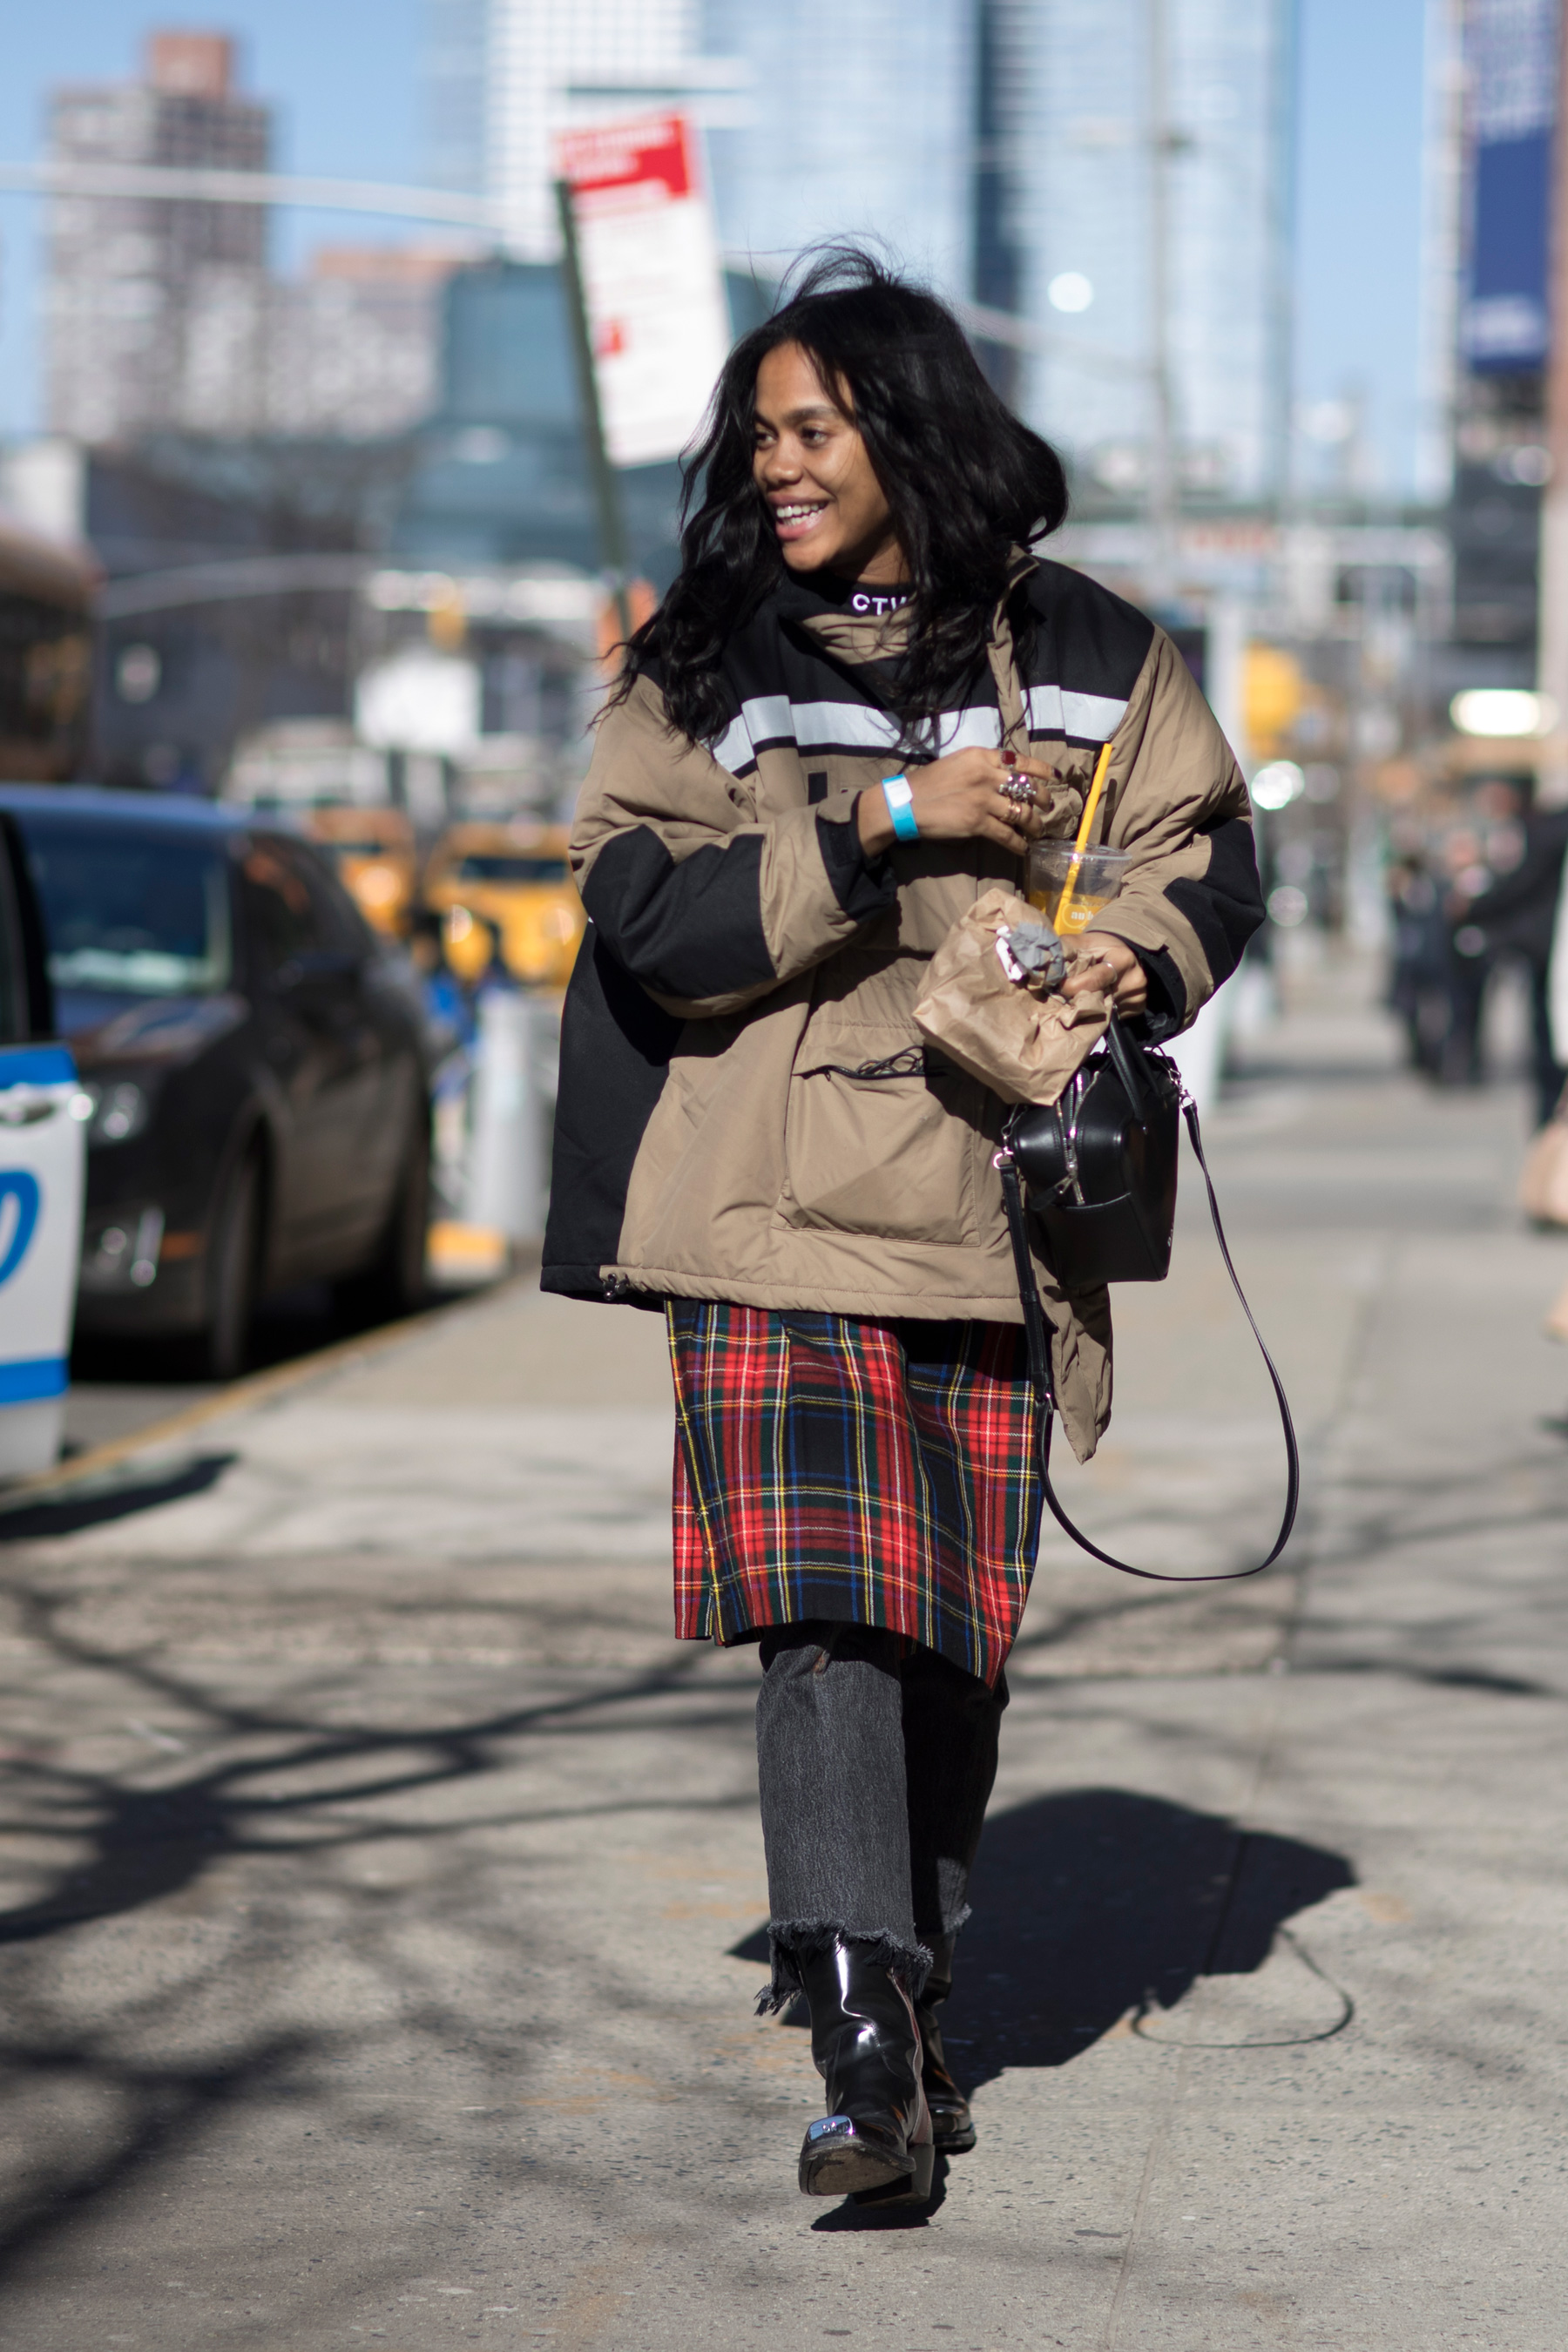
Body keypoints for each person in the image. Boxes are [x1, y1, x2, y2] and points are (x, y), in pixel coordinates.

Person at [542, 253, 1264, 2205]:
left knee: (951, 1641)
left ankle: (914, 1993)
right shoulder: (700, 662)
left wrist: (1133, 952)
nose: (774, 467)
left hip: (999, 1214)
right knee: (831, 1625)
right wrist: (881, 828)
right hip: (759, 1215)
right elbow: (645, 920)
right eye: (758, 435)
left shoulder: (1099, 650)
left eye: (812, 430)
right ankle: (861, 2042)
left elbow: (1213, 846)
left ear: (906, 432)